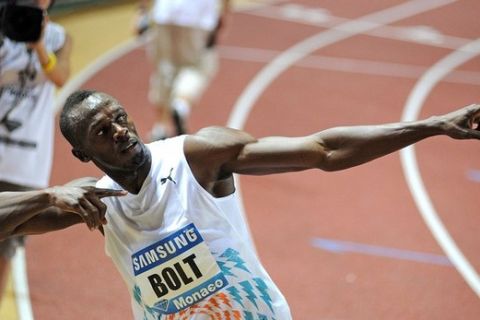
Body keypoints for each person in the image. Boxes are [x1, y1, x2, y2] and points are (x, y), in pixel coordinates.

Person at [51, 89, 480, 319]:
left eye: (120, 117)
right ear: (82, 154)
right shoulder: (94, 201)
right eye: (103, 131)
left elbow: (322, 151)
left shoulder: (196, 156)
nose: (121, 130)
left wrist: (433, 125)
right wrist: (48, 196)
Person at [0, 0, 72, 300]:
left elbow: (60, 78)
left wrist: (39, 46)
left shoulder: (60, 37)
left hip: (27, 163)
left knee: (6, 248)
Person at [135, 0, 231, 140]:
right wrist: (224, 13)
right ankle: (180, 106)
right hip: (197, 17)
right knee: (197, 67)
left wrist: (142, 11)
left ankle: (160, 127)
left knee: (164, 68)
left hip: (165, 13)